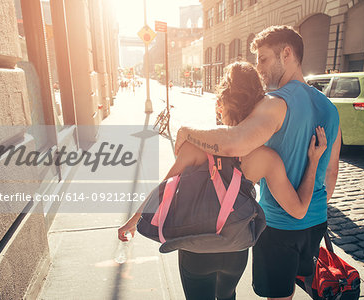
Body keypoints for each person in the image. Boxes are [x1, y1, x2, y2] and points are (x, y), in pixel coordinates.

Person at [118, 62, 329, 300]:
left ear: (220, 105)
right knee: (228, 296)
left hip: (195, 246)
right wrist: (313, 161)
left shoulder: (194, 145)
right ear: (256, 107)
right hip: (235, 250)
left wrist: (133, 221)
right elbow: (299, 210)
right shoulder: (266, 157)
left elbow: (163, 190)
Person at [174, 26, 341, 300]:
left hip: (278, 225)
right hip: (316, 221)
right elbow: (332, 170)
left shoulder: (275, 103)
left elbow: (234, 141)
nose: (259, 68)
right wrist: (314, 208)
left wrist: (187, 132)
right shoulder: (330, 107)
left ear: (286, 54)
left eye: (263, 59)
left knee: (278, 295)